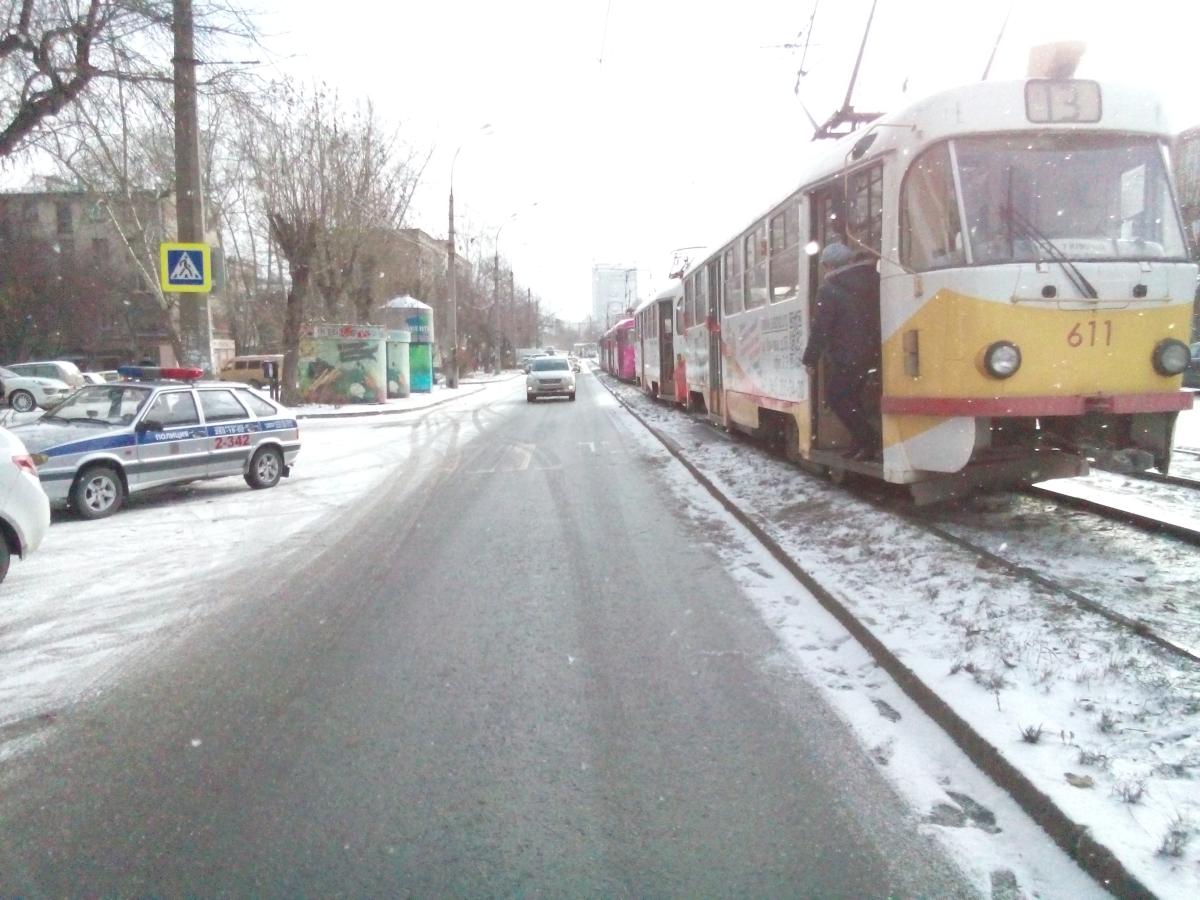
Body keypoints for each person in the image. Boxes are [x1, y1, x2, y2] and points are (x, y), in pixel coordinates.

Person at [802, 241, 882, 460]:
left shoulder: (829, 290)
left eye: (825, 266)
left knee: (836, 397)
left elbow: (821, 328)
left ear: (829, 265)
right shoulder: (872, 280)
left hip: (846, 354)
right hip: (873, 351)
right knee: (852, 397)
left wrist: (810, 358)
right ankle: (861, 443)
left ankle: (868, 440)